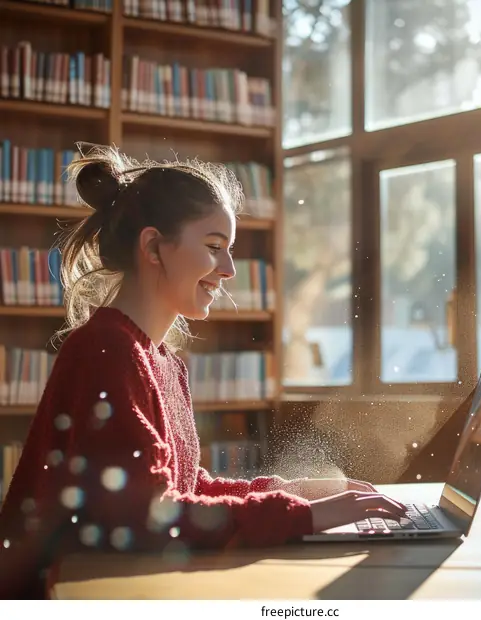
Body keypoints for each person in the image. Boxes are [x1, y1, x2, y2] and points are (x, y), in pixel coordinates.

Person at [0, 145, 406, 599]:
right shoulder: (106, 351)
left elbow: (188, 488)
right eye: (214, 247)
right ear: (153, 246)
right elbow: (148, 515)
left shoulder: (161, 359)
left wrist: (293, 492)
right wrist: (299, 516)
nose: (229, 270)